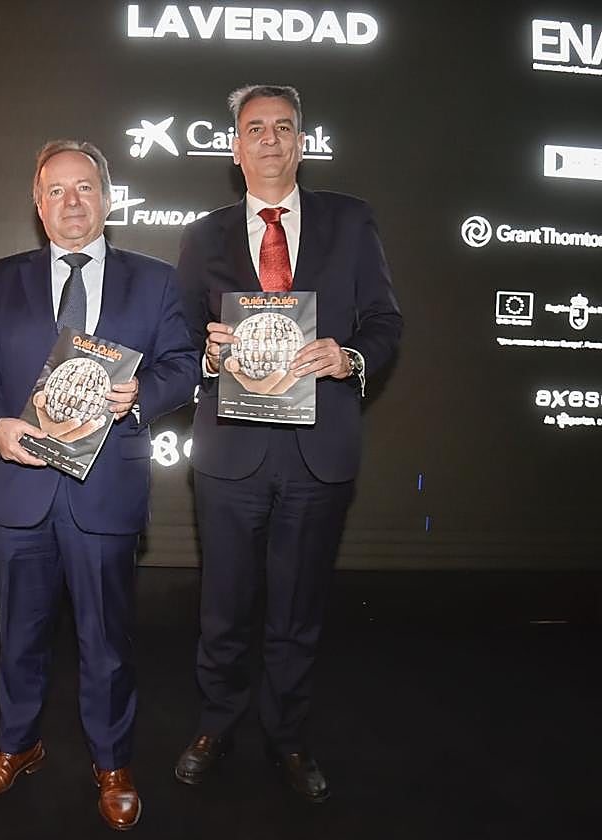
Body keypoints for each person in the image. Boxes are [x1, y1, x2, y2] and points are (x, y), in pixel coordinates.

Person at [0, 140, 198, 830]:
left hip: (105, 489)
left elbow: (183, 365)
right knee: (20, 633)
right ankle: (17, 746)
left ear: (108, 197)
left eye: (84, 187)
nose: (71, 201)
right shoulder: (3, 278)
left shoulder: (152, 281)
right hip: (20, 485)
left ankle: (112, 761)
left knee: (107, 640)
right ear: (37, 206)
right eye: (55, 190)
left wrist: (141, 395)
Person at [174, 84, 402, 802]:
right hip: (231, 454)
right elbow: (179, 342)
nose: (269, 139)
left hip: (318, 448)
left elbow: (386, 324)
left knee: (299, 611)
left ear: (301, 140)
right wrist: (208, 357)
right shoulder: (201, 235)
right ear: (234, 147)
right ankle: (216, 724)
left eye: (282, 127)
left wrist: (351, 358)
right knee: (224, 606)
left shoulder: (351, 221)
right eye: (254, 128)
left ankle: (288, 736)